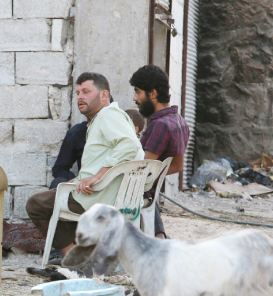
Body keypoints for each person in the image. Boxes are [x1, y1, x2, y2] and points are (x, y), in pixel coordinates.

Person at [26, 72, 142, 258]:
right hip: (109, 198)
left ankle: (75, 259)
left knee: (36, 204)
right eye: (78, 92)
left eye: (86, 91)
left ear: (104, 95)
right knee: (58, 197)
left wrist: (98, 176)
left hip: (98, 198)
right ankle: (84, 258)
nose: (80, 96)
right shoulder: (113, 118)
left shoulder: (108, 115)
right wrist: (80, 179)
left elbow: (131, 145)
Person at [130, 65, 190, 239]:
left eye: (138, 92)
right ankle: (158, 235)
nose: (135, 98)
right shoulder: (179, 121)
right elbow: (177, 166)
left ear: (153, 94)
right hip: (150, 194)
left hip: (137, 193)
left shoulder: (160, 125)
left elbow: (143, 171)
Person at [50, 120, 87, 189]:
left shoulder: (110, 130)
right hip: (83, 185)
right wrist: (76, 181)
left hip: (106, 181)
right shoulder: (78, 131)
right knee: (58, 183)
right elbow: (59, 169)